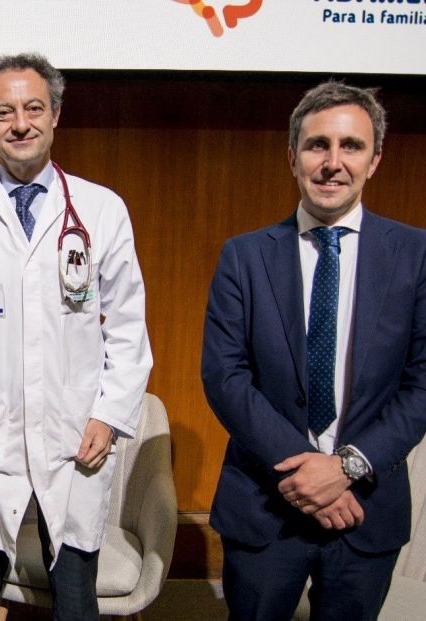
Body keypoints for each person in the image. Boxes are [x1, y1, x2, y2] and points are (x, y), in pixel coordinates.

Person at [0, 53, 152, 620]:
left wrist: (109, 414)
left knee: (75, 595)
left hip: (75, 436)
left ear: (55, 115)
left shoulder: (101, 209)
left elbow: (127, 325)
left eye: (32, 108)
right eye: (4, 112)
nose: (20, 123)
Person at [202, 81, 426, 620]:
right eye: (316, 145)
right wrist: (309, 475)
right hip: (263, 504)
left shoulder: (416, 254)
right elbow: (225, 377)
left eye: (350, 146)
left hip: (365, 508)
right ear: (292, 157)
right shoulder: (245, 255)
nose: (332, 162)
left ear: (374, 160)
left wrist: (345, 467)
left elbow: (422, 383)